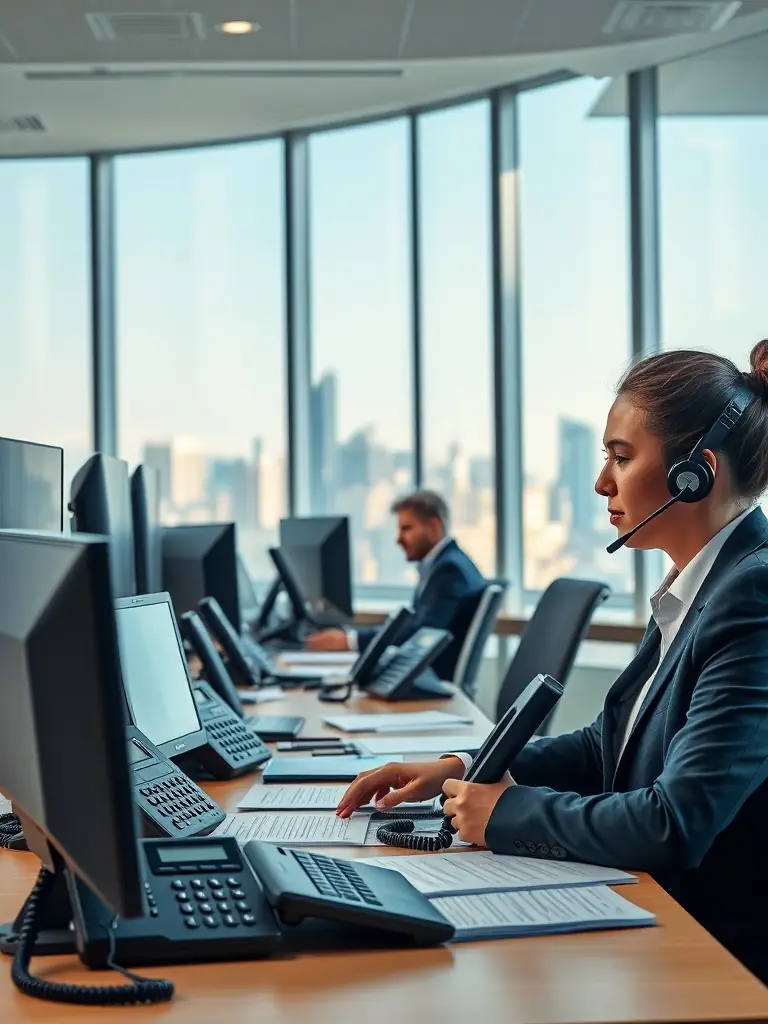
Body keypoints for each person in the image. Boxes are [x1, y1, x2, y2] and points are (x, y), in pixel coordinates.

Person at [337, 341, 768, 984]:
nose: (602, 483)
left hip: (711, 961)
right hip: (656, 929)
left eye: (621, 458)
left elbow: (675, 822)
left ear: (694, 473)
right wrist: (462, 767)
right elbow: (607, 749)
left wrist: (503, 814)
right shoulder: (701, 585)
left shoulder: (750, 595)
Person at [306, 490, 487, 683]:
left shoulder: (449, 569)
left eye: (406, 529)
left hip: (430, 682)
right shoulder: (446, 563)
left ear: (433, 527)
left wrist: (349, 641)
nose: (398, 539)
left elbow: (419, 633)